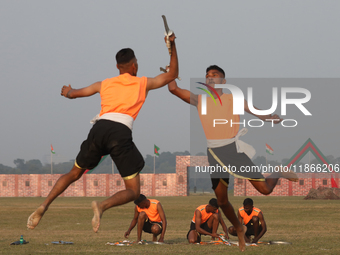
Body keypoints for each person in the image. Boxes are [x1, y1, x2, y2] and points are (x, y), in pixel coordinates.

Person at [27, 33, 178, 233]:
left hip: (99, 129)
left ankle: (44, 205)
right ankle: (102, 206)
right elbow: (172, 74)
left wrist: (68, 91)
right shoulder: (143, 82)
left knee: (74, 173)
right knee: (133, 191)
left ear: (117, 67)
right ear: (134, 66)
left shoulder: (104, 84)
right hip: (120, 132)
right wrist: (172, 46)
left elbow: (74, 94)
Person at [168, 65, 298, 251]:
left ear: (223, 81)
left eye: (214, 75)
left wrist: (270, 117)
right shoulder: (200, 100)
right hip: (214, 153)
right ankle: (238, 228)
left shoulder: (233, 98)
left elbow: (256, 111)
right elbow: (174, 89)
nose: (210, 78)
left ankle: (277, 171)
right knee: (221, 201)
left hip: (233, 151)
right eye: (207, 76)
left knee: (265, 189)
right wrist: (170, 74)